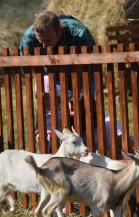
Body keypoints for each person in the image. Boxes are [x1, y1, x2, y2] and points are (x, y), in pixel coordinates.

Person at [20, 11, 96, 151]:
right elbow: (27, 66)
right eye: (40, 41)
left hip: (80, 74)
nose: (43, 46)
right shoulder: (29, 37)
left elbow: (91, 65)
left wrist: (76, 94)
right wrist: (43, 85)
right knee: (54, 114)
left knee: (82, 113)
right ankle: (51, 147)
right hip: (51, 76)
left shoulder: (79, 34)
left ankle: (85, 148)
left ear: (60, 30)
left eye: (47, 40)